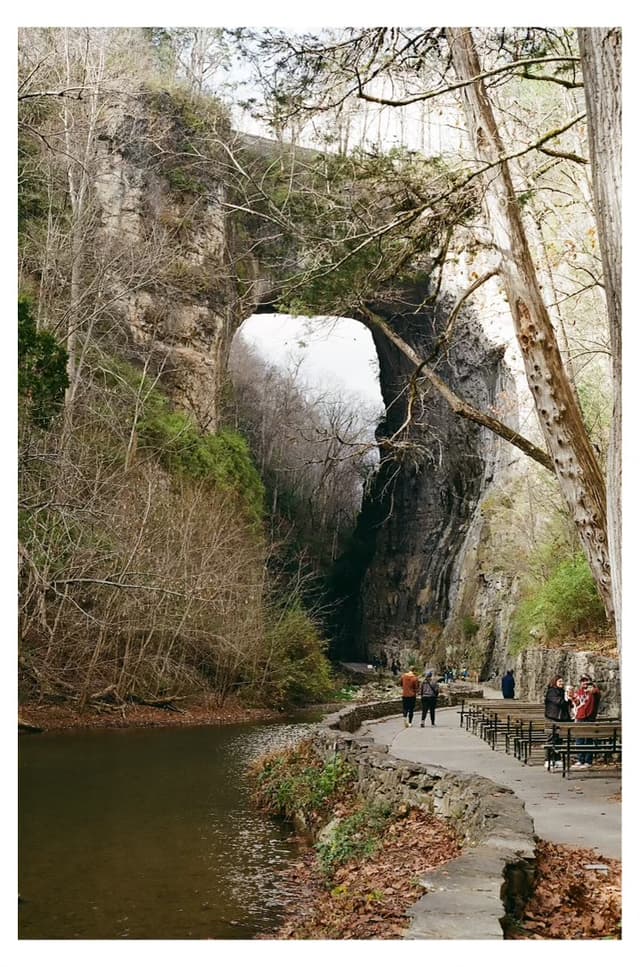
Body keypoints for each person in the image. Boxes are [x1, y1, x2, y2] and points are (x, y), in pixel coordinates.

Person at [571, 676, 601, 768]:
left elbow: (597, 692)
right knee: (579, 740)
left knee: (588, 739)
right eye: (583, 681)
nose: (584, 683)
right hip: (580, 717)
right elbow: (576, 704)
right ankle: (580, 759)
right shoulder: (579, 692)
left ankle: (588, 761)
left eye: (586, 681)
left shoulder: (593, 691)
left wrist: (591, 688)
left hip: (589, 718)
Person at [544, 675, 572, 770]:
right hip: (553, 718)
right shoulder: (551, 692)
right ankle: (548, 759)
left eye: (562, 681)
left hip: (562, 719)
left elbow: (567, 703)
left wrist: (569, 697)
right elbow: (560, 702)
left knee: (559, 740)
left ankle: (557, 759)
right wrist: (567, 698)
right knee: (551, 739)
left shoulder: (563, 692)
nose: (562, 683)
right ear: (555, 682)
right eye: (559, 681)